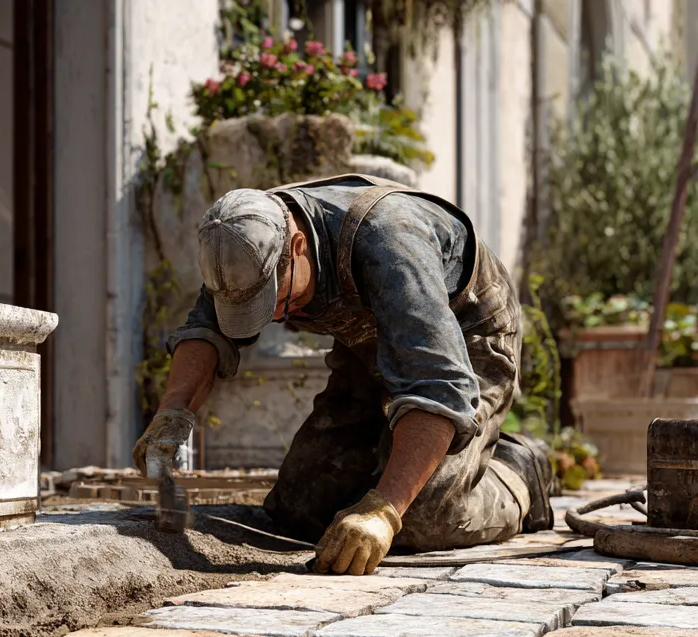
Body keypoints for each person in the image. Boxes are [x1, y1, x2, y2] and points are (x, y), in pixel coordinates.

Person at [133, 174, 553, 575]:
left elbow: (438, 386)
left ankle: (520, 471)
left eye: (273, 301)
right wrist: (172, 414)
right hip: (365, 342)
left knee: (421, 517)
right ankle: (397, 464)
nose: (272, 317)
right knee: (299, 507)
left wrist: (383, 511)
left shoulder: (390, 243)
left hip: (466, 337)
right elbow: (206, 331)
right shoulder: (240, 241)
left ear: (297, 246)